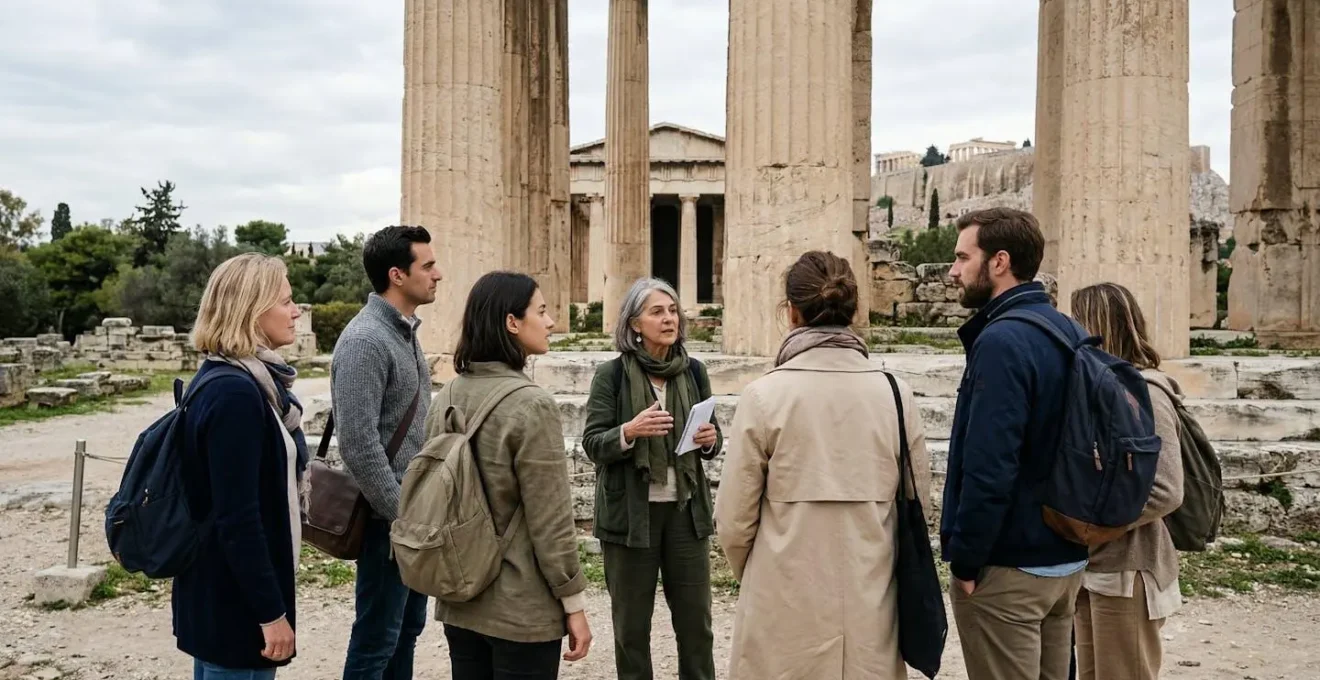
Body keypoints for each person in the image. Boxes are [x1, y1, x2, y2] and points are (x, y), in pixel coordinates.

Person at [714, 250, 931, 680]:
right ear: (854, 310)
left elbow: (733, 522)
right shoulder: (894, 393)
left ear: (791, 312)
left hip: (784, 595)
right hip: (872, 596)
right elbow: (916, 502)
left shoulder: (764, 396)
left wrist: (762, 573)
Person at [942, 207, 1090, 680]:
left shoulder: (1002, 341)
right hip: (1065, 559)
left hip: (1010, 567)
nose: (953, 270)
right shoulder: (1069, 330)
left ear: (999, 261)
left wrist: (966, 560)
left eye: (963, 257)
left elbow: (989, 466)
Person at [434, 271, 592, 679]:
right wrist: (573, 603)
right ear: (512, 322)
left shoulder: (447, 395)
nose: (551, 321)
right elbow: (551, 520)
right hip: (521, 604)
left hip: (461, 596)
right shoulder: (532, 404)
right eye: (541, 311)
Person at [174, 253, 307, 679]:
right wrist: (271, 614)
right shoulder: (235, 393)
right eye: (285, 301)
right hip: (236, 607)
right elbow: (238, 518)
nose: (296, 310)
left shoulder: (229, 379)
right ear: (251, 309)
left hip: (223, 593)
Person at [581, 277, 721, 680]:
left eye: (673, 310)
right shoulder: (611, 375)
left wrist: (711, 440)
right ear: (634, 325)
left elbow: (710, 438)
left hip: (685, 514)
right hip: (629, 518)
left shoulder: (693, 371)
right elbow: (593, 442)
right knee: (631, 629)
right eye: (657, 312)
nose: (669, 318)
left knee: (697, 626)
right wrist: (629, 431)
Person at [333, 225, 442, 680]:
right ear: (397, 275)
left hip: (409, 517)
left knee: (406, 631)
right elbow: (358, 444)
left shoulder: (402, 332)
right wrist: (402, 516)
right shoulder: (365, 341)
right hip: (388, 522)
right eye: (428, 265)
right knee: (376, 640)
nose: (439, 274)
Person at [1070, 282, 1185, 680]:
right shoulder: (1100, 390)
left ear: (1098, 327)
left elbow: (1167, 488)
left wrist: (1094, 524)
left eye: (1075, 322)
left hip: (1130, 567)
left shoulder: (1147, 394)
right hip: (1093, 567)